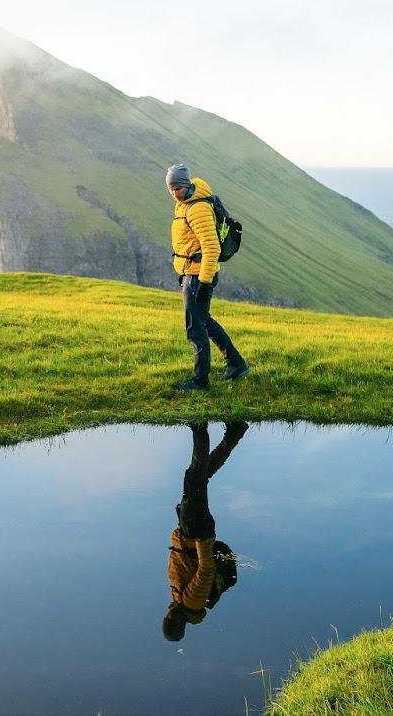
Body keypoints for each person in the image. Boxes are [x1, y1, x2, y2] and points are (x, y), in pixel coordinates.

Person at [163, 421, 248, 642]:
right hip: (196, 531)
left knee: (202, 475)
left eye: (167, 620)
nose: (170, 616)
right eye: (173, 622)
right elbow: (206, 569)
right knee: (194, 476)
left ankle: (236, 432)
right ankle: (200, 427)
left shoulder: (181, 602)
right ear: (182, 625)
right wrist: (201, 539)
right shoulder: (192, 602)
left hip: (190, 531)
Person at [166, 163, 249, 391]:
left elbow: (211, 247)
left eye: (178, 187)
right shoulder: (183, 205)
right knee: (205, 322)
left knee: (195, 328)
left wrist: (202, 282)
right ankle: (236, 363)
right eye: (171, 188)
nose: (175, 192)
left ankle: (200, 380)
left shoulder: (198, 208)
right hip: (191, 273)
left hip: (198, 275)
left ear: (188, 185)